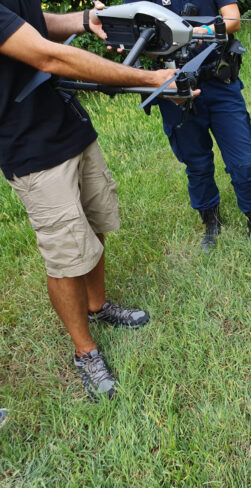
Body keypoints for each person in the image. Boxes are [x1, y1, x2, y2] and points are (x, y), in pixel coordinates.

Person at [0, 0, 187, 400]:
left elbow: (33, 24)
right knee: (65, 255)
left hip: (69, 122)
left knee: (96, 220)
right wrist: (148, 77)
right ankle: (85, 352)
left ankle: (98, 306)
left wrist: (85, 21)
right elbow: (48, 54)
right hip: (31, 147)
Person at [124, 0, 251, 249]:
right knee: (197, 164)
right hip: (174, 89)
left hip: (219, 81)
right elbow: (131, 41)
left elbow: (233, 20)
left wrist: (197, 33)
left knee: (243, 160)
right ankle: (211, 223)